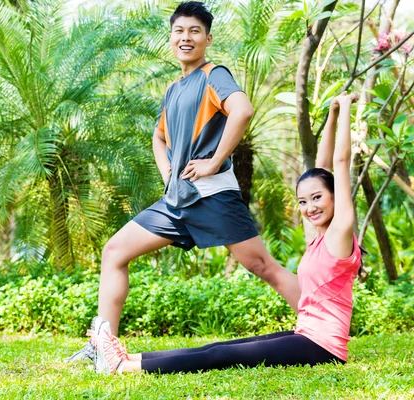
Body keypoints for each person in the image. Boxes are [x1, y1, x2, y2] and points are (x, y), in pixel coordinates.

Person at [66, 1, 300, 363]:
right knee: (114, 252)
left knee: (261, 266)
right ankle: (102, 346)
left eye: (194, 31)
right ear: (171, 37)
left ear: (207, 38)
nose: (185, 37)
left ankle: (323, 329)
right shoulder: (175, 87)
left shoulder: (213, 75)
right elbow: (158, 136)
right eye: (179, 30)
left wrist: (214, 162)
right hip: (177, 200)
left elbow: (243, 109)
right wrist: (168, 174)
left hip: (211, 196)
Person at [90, 91, 362, 375]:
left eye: (317, 198)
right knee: (217, 347)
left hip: (324, 347)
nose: (309, 208)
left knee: (221, 355)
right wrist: (331, 114)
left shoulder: (340, 233)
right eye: (303, 201)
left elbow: (339, 166)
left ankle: (122, 368)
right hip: (306, 335)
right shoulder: (319, 235)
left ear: (334, 196)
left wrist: (345, 109)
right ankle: (127, 358)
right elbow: (324, 167)